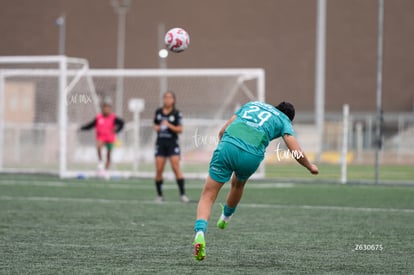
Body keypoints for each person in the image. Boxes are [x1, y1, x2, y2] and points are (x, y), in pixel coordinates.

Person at [192, 101, 319, 261]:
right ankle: (225, 218)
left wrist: (223, 147)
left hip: (227, 146)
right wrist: (309, 166)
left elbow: (223, 130)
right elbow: (295, 150)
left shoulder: (252, 104)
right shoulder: (283, 120)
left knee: (208, 195)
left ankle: (200, 233)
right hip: (250, 155)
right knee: (238, 184)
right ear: (290, 118)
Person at [153, 91, 189, 203]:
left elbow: (180, 129)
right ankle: (159, 195)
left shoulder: (176, 113)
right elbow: (154, 124)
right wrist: (157, 128)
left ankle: (182, 194)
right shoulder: (158, 112)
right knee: (159, 169)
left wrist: (169, 125)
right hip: (160, 143)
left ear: (173, 100)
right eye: (165, 97)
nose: (167, 100)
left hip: (172, 143)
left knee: (175, 167)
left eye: (169, 97)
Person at [80, 97, 124, 178]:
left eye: (108, 108)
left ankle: (106, 171)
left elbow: (122, 123)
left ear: (110, 109)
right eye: (104, 107)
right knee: (99, 145)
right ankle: (100, 162)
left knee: (108, 154)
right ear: (102, 108)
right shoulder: (98, 118)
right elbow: (90, 125)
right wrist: (82, 128)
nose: (106, 109)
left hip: (110, 138)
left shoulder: (113, 118)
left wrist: (117, 130)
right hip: (101, 137)